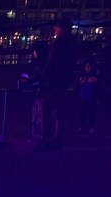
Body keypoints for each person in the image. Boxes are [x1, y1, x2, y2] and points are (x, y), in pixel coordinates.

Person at [34, 18, 77, 151]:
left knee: (45, 110)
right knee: (59, 112)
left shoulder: (59, 43)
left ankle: (45, 140)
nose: (55, 29)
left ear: (61, 28)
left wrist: (43, 81)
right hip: (64, 83)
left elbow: (51, 64)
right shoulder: (73, 43)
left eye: (56, 27)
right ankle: (58, 140)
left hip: (53, 82)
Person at [77, 60, 98, 133]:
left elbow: (94, 81)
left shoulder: (95, 75)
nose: (87, 68)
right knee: (82, 113)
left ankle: (91, 127)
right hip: (83, 97)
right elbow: (80, 81)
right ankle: (81, 126)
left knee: (91, 113)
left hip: (91, 97)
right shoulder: (82, 74)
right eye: (86, 66)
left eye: (89, 66)